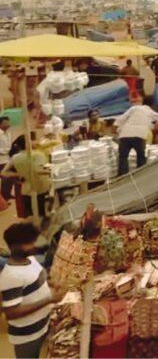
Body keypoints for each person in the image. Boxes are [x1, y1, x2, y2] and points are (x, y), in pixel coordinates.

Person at [0, 222, 53, 358]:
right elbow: (11, 313)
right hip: (27, 337)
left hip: (43, 326)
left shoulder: (31, 259)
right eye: (30, 242)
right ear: (16, 246)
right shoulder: (11, 275)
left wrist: (52, 283)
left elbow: (36, 281)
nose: (35, 245)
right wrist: (49, 299)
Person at [113, 98, 158, 176]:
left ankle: (123, 176)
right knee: (141, 156)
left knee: (123, 157)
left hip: (125, 134)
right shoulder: (150, 111)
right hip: (139, 136)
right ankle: (140, 175)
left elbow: (121, 118)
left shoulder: (134, 108)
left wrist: (116, 127)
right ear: (151, 106)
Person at [2, 133, 49, 218]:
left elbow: (3, 173)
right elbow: (38, 170)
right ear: (29, 143)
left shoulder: (15, 157)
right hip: (40, 188)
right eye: (34, 140)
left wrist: (20, 174)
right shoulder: (37, 155)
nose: (37, 142)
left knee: (31, 215)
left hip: (26, 190)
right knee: (42, 215)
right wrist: (52, 170)